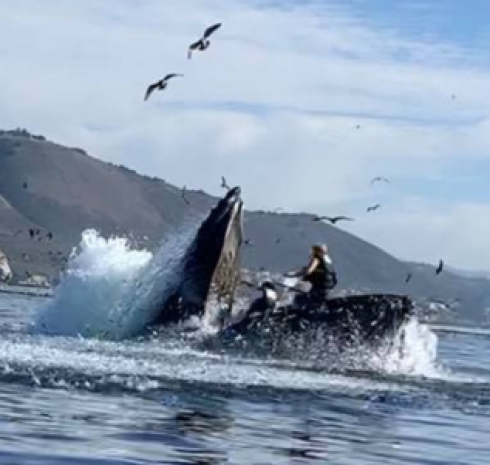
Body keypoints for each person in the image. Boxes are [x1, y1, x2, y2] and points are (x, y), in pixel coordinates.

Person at [285, 244, 337, 308]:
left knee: (300, 297)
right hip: (328, 286)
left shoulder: (317, 259)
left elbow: (309, 271)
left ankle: (296, 308)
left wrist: (294, 275)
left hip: (320, 285)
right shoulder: (328, 259)